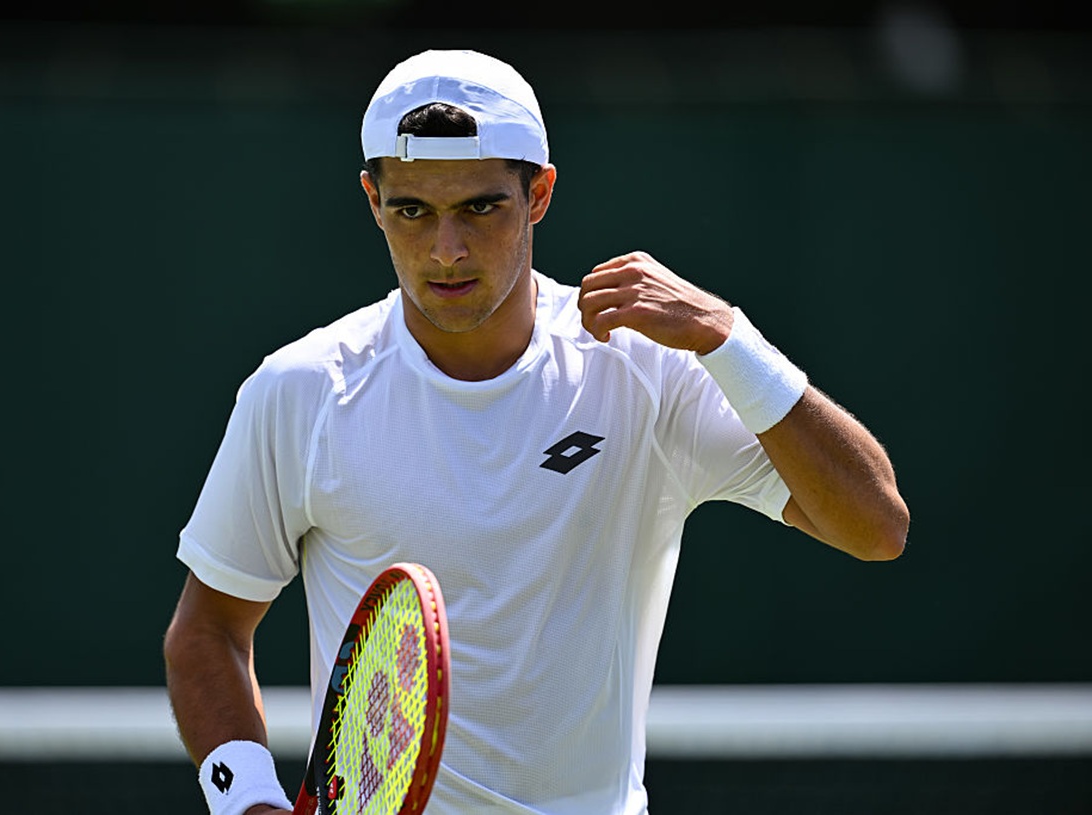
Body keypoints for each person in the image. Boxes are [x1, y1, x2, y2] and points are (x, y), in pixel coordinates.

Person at [163, 48, 909, 815]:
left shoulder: (648, 374)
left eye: (481, 207)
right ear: (371, 200)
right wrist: (247, 801)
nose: (445, 249)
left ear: (540, 193)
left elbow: (875, 523)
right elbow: (207, 632)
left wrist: (729, 337)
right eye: (412, 210)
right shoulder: (300, 390)